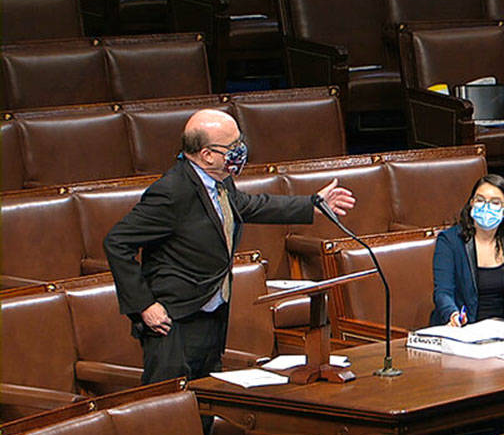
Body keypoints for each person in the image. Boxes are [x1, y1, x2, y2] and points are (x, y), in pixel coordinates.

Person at [104, 109, 356, 384]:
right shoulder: (171, 192)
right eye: (232, 146)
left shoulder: (220, 183)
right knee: (171, 404)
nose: (240, 151)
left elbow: (250, 205)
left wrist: (312, 205)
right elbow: (117, 242)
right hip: (173, 319)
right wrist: (144, 305)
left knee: (207, 396)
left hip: (212, 309)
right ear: (207, 154)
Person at [430, 174, 504, 326]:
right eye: (480, 200)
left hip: (503, 329)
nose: (486, 207)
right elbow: (443, 292)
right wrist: (452, 314)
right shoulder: (450, 241)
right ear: (471, 204)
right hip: (462, 329)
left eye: (495, 202)